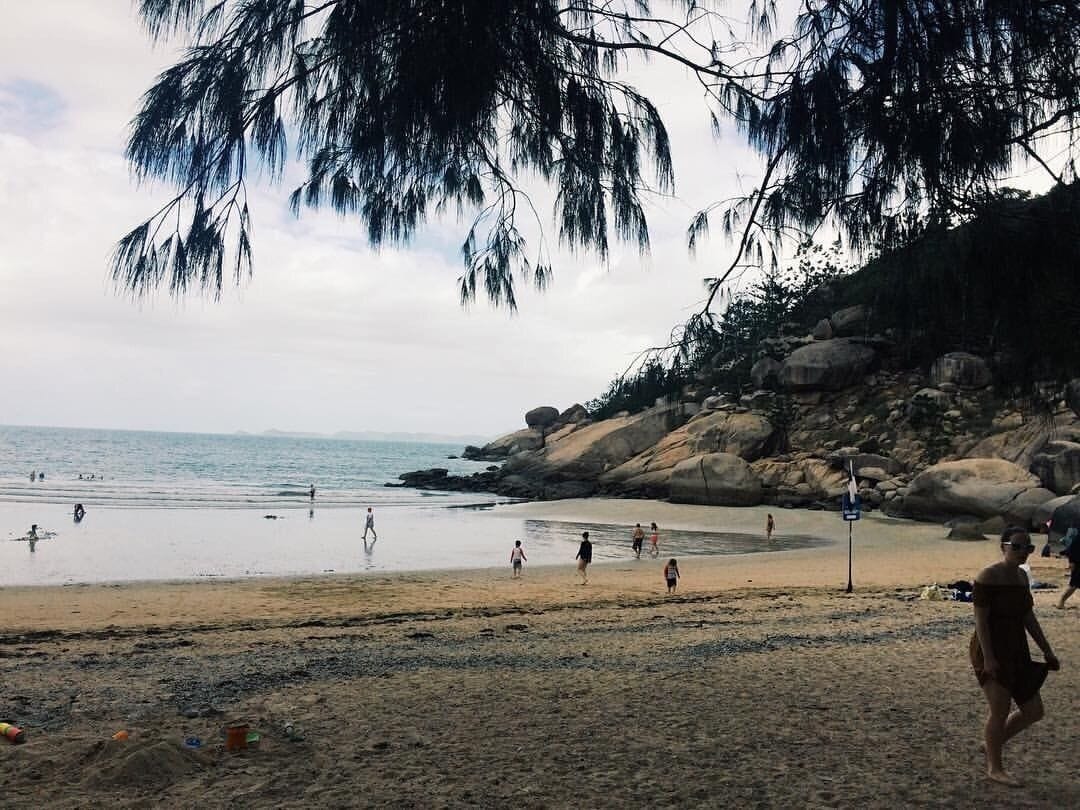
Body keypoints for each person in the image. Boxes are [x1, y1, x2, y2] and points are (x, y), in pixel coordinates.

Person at [970, 527, 1061, 786]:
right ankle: (995, 768)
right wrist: (988, 658)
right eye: (1017, 547)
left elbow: (1027, 617)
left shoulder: (1022, 577)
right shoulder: (988, 576)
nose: (1023, 553)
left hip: (1016, 647)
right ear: (1003, 547)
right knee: (999, 709)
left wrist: (1046, 649)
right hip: (990, 646)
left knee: (1033, 710)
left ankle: (991, 742)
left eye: (1028, 548)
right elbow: (981, 622)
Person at [1057, 526, 1080, 609]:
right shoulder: (1078, 538)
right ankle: (1061, 602)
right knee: (1074, 585)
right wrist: (1071, 562)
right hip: (1078, 563)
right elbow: (1072, 549)